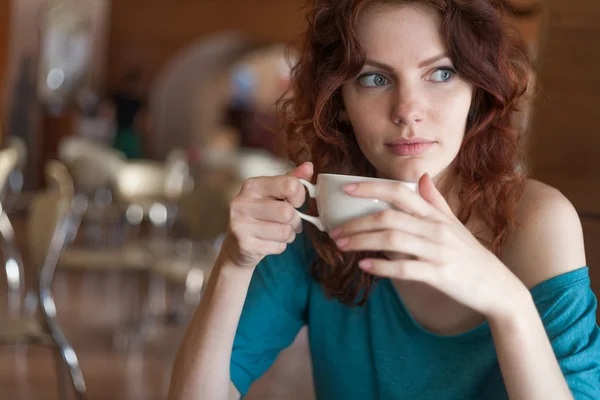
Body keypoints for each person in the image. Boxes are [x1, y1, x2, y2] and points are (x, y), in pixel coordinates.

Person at [169, 1, 600, 399]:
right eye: (375, 78)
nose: (407, 109)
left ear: (477, 89)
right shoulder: (313, 217)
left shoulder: (538, 222)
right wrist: (233, 264)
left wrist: (509, 304)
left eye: (441, 73)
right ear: (340, 102)